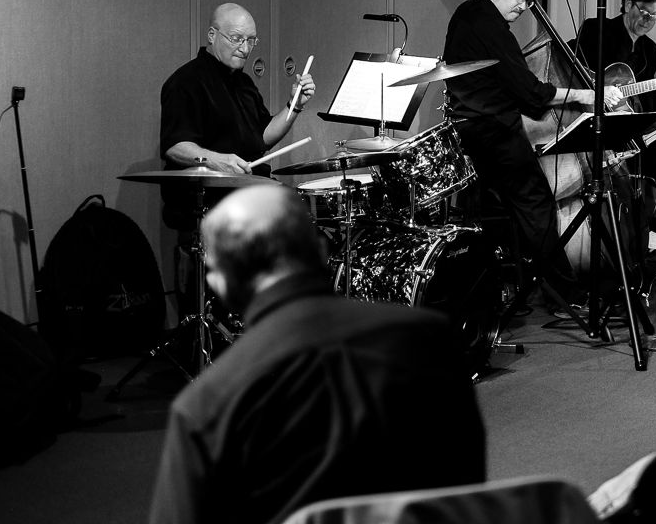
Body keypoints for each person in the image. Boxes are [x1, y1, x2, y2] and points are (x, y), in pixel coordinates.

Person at [148, 184, 486, 524]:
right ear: (322, 252)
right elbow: (465, 482)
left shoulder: (204, 406)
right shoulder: (428, 336)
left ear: (222, 282)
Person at [443, 0, 622, 301]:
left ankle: (502, 290)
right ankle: (565, 294)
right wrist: (586, 95)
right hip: (494, 133)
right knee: (537, 206)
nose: (523, 7)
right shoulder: (491, 26)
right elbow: (528, 92)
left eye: (528, 1)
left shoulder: (466, 14)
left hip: (467, 133)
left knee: (494, 213)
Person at [159, 2, 316, 232]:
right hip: (211, 199)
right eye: (236, 39)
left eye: (251, 40)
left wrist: (295, 105)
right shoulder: (185, 82)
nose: (245, 48)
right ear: (212, 35)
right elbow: (174, 146)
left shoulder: (244, 83)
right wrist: (217, 161)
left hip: (251, 189)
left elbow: (263, 136)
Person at [570, 0, 656, 112]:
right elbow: (568, 69)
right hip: (584, 112)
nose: (648, 20)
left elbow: (647, 101)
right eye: (644, 12)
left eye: (655, 15)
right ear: (628, 5)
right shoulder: (597, 29)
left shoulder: (650, 49)